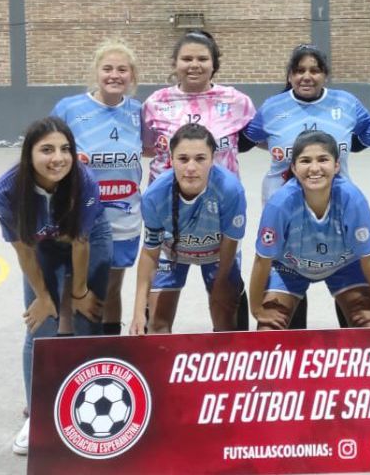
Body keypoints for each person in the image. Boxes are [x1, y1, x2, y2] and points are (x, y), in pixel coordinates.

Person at [0, 117, 111, 456]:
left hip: (89, 239)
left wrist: (78, 293)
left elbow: (80, 243)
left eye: (65, 149)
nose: (58, 158)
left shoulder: (83, 182)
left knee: (88, 321)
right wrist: (44, 297)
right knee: (40, 328)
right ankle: (39, 414)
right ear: (28, 155)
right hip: (40, 245)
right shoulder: (6, 191)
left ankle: (89, 409)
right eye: (46, 150)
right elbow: (23, 249)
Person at [244, 44, 370, 328]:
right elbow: (248, 138)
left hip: (337, 219)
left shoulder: (345, 103)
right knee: (282, 321)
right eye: (299, 70)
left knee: (361, 319)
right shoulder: (273, 107)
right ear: (290, 76)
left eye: (315, 70)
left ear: (325, 75)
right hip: (288, 219)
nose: (307, 76)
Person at [249, 130, 370, 330]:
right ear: (294, 168)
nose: (314, 168)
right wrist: (257, 310)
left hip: (344, 264)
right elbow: (262, 259)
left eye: (323, 159)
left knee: (368, 326)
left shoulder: (352, 199)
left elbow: (369, 257)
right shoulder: (279, 204)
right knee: (267, 331)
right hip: (290, 267)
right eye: (305, 161)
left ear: (337, 165)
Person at [51, 39, 143, 336]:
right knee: (72, 283)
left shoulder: (139, 112)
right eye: (107, 68)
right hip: (78, 214)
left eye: (122, 69)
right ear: (96, 72)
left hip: (125, 214)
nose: (114, 75)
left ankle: (107, 348)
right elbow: (47, 151)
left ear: (132, 76)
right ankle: (68, 346)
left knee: (112, 285)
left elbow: (155, 149)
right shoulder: (70, 109)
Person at [130, 124, 247, 335]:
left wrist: (221, 284)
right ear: (171, 159)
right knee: (156, 324)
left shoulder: (231, 189)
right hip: (172, 251)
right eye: (183, 159)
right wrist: (139, 311)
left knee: (226, 321)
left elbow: (231, 241)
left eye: (200, 159)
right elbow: (150, 252)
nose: (191, 167)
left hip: (218, 253)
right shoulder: (154, 195)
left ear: (213, 159)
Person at [141, 29, 255, 182]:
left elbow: (259, 140)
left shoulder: (237, 101)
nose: (194, 65)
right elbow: (147, 148)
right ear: (175, 64)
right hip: (166, 198)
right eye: (187, 59)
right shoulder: (155, 103)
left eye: (202, 59)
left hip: (221, 197)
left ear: (214, 64)